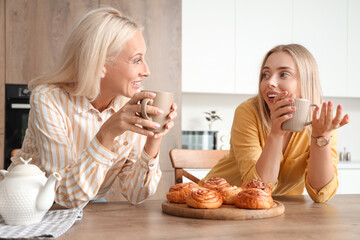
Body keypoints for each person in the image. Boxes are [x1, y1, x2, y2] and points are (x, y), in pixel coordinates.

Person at [9, 7, 177, 208]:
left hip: (89, 205)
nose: (147, 71)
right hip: (26, 205)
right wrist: (107, 133)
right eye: (137, 60)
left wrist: (153, 137)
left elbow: (135, 193)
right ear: (101, 64)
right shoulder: (48, 98)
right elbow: (64, 194)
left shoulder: (128, 105)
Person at [200, 44, 349, 203]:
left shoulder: (322, 121)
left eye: (284, 74)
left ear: (306, 81)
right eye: (265, 74)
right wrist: (276, 134)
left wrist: (321, 137)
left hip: (276, 213)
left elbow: (322, 194)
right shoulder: (248, 112)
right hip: (215, 204)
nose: (270, 82)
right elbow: (256, 188)